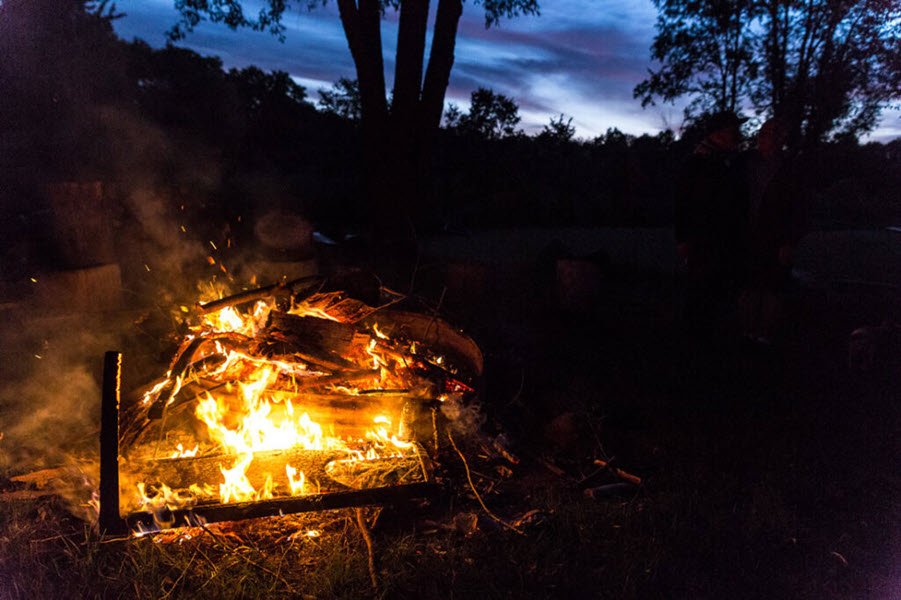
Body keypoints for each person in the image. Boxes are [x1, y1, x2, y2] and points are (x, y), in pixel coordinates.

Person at [675, 110, 749, 342]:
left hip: (724, 241)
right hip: (703, 241)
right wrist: (684, 239)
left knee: (717, 292)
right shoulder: (697, 164)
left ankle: (710, 340)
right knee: (700, 292)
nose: (737, 134)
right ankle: (695, 341)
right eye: (732, 129)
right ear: (719, 133)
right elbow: (683, 203)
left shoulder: (729, 162)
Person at [738, 117, 805, 346]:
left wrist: (789, 242)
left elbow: (799, 209)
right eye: (764, 133)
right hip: (749, 236)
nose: (766, 139)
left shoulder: (790, 168)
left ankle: (764, 335)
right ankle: (747, 332)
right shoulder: (746, 163)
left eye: (773, 134)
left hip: (776, 240)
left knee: (772, 288)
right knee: (749, 286)